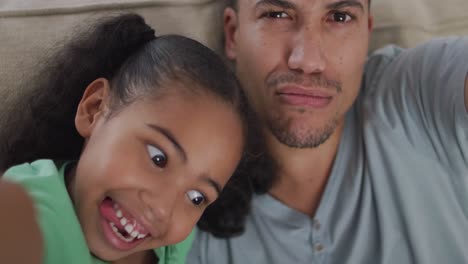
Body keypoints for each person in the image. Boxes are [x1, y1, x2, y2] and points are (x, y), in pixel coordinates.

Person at [187, 0, 468, 263]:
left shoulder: (420, 93)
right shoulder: (181, 183)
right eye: (276, 14)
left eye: (340, 17)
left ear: (366, 34)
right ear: (233, 34)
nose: (308, 61)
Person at [0, 13, 248, 264]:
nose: (162, 208)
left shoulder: (173, 245)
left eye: (196, 197)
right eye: (158, 158)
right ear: (94, 109)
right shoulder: (25, 220)